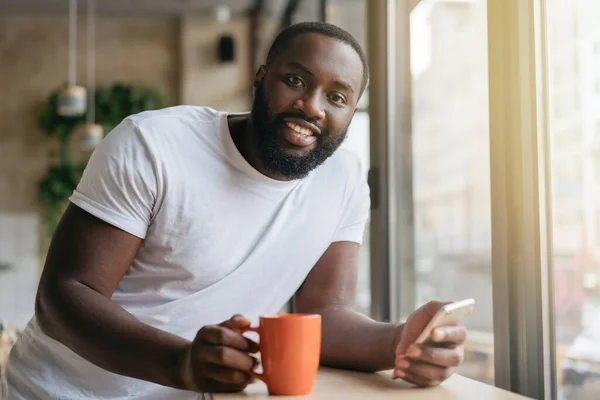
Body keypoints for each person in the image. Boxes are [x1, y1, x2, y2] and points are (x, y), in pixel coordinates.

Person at [1, 22, 467, 399]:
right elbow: (65, 294)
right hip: (57, 392)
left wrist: (400, 342)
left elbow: (325, 314)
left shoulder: (343, 180)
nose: (311, 106)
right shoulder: (153, 144)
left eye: (337, 97)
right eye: (295, 80)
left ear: (352, 112)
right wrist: (180, 363)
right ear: (261, 76)